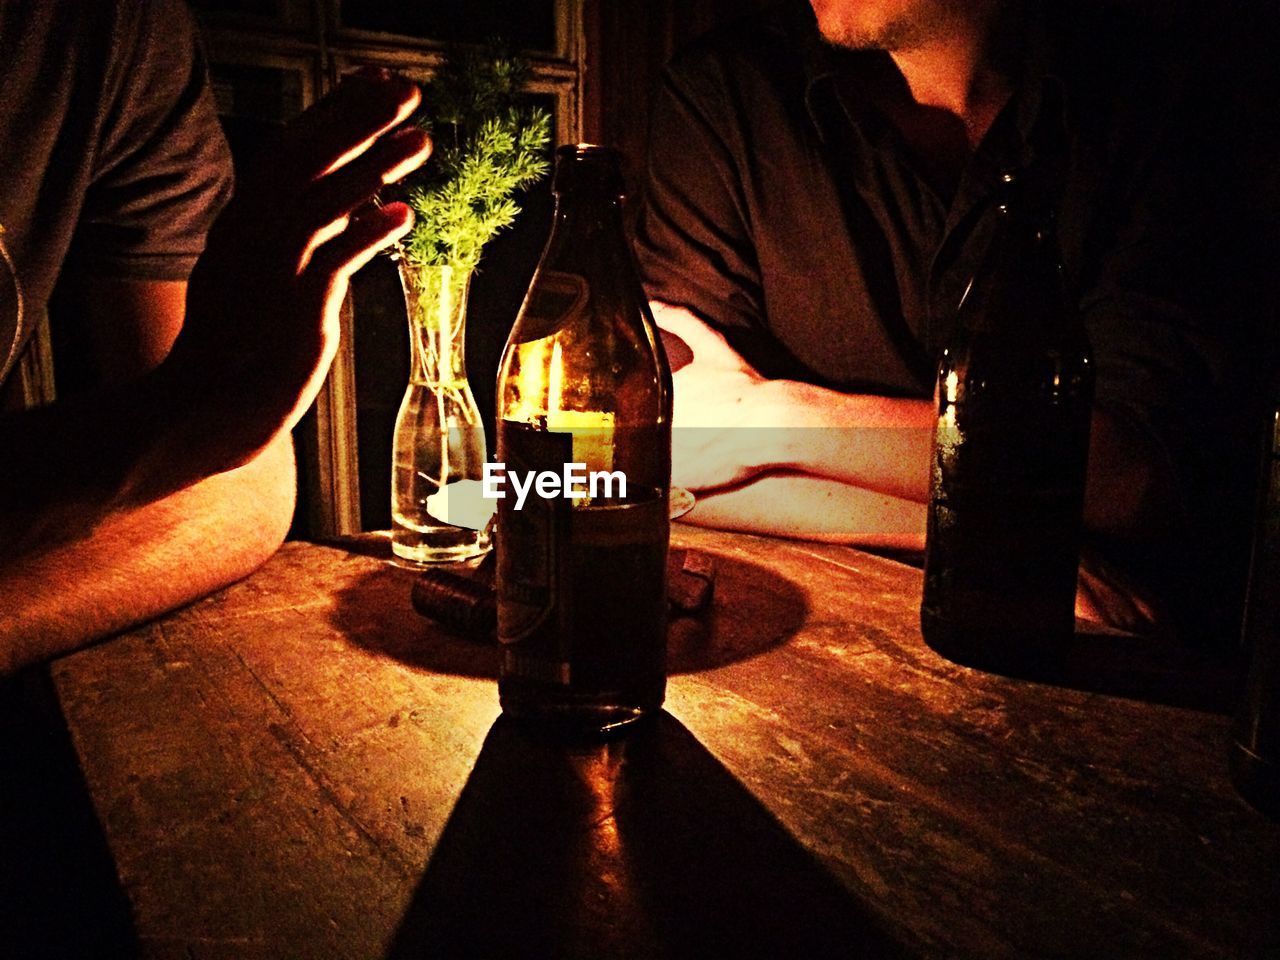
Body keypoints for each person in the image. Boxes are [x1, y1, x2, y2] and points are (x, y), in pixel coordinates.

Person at [636, 0, 1269, 638]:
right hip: (829, 636)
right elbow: (679, 455)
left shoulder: (1153, 105)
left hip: (1109, 656)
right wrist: (981, 539)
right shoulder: (731, 96)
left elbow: (1131, 480)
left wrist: (777, 417)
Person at [0, 0, 430, 670]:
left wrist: (197, 417)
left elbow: (230, 488)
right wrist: (166, 424)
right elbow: (183, 437)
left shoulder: (113, 27)